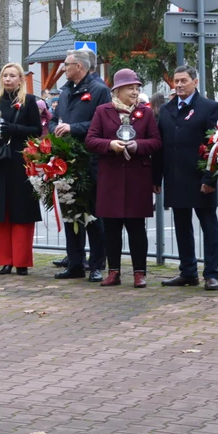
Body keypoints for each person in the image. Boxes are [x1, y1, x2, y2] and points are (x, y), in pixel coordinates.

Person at [85, 68, 162, 288]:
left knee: (137, 228)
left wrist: (139, 146)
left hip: (137, 177)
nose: (135, 92)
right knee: (111, 228)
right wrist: (109, 145)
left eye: (137, 88)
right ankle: (114, 272)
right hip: (111, 178)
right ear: (117, 90)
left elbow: (156, 142)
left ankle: (140, 272)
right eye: (130, 88)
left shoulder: (145, 113)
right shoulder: (103, 111)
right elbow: (91, 141)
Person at [155, 65, 218, 291]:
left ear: (195, 82)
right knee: (182, 226)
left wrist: (209, 178)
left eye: (184, 80)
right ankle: (188, 271)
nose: (179, 85)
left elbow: (216, 145)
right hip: (175, 178)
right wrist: (156, 177)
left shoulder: (210, 108)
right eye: (176, 81)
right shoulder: (166, 109)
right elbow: (160, 146)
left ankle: (211, 274)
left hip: (200, 179)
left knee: (208, 226)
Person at [48, 49, 110, 282]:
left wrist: (74, 129)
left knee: (93, 216)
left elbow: (102, 124)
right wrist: (56, 130)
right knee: (71, 214)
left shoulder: (99, 90)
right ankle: (74, 263)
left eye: (67, 64)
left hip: (89, 161)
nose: (64, 68)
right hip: (66, 161)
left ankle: (96, 265)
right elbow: (54, 120)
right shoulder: (65, 91)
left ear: (80, 67)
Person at [0, 62, 42, 275]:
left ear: (20, 79)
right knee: (1, 210)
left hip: (21, 162)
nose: (8, 79)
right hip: (0, 162)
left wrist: (14, 129)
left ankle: (22, 260)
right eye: (5, 75)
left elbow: (37, 130)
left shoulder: (30, 101)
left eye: (12, 75)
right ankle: (5, 260)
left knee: (21, 211)